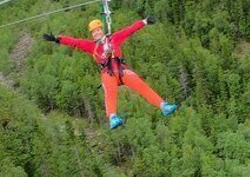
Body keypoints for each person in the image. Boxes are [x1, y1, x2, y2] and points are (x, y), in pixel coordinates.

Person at [43, 15, 177, 129]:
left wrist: (144, 21)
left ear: (101, 30)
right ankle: (112, 117)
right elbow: (75, 42)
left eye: (97, 30)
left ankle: (163, 106)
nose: (96, 33)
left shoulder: (114, 38)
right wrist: (57, 39)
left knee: (140, 85)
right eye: (93, 32)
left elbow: (129, 30)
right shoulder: (91, 46)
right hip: (108, 73)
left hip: (122, 70)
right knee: (110, 91)